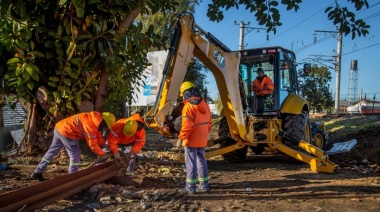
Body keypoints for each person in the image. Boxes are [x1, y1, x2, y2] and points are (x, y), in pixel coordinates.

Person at [31, 111, 120, 181]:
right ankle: (72, 176)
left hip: (59, 127)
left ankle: (37, 172)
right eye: (106, 126)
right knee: (75, 153)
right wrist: (102, 154)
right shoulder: (90, 125)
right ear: (103, 122)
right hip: (67, 132)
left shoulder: (93, 120)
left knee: (52, 151)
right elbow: (92, 144)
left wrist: (103, 144)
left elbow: (97, 135)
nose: (105, 128)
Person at [176, 81, 212, 194]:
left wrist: (181, 138)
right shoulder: (205, 104)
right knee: (202, 161)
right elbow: (210, 123)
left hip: (191, 139)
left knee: (191, 163)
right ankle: (204, 186)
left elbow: (187, 126)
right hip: (202, 138)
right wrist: (204, 133)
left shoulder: (188, 107)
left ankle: (190, 188)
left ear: (185, 93)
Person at [107, 111, 146, 176]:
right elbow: (111, 139)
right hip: (116, 142)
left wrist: (132, 151)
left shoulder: (140, 131)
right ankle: (98, 169)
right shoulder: (118, 125)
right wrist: (115, 152)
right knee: (104, 152)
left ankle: (129, 174)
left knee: (131, 157)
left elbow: (141, 142)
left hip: (129, 143)